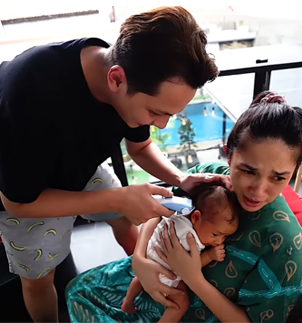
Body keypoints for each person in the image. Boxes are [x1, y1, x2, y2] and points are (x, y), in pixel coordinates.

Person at [0, 6, 222, 322]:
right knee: (39, 280)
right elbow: (18, 202)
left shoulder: (135, 74)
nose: (160, 125)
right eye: (156, 112)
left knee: (123, 220)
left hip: (79, 165)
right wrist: (118, 198)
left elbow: (141, 147)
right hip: (25, 188)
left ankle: (143, 276)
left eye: (168, 115)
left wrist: (180, 178)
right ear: (116, 79)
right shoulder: (29, 94)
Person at [66, 91, 302, 323]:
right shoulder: (210, 178)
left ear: (294, 172)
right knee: (78, 290)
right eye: (247, 171)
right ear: (229, 156)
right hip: (155, 268)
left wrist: (194, 278)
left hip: (192, 308)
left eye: (278, 178)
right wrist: (139, 260)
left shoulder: (285, 246)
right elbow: (163, 210)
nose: (258, 190)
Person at [121, 182, 242, 322]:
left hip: (148, 256)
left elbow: (161, 209)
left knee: (139, 278)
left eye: (224, 237)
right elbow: (190, 267)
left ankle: (127, 302)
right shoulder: (190, 240)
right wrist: (210, 255)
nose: (219, 241)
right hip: (165, 273)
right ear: (196, 217)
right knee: (181, 302)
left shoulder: (180, 213)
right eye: (215, 235)